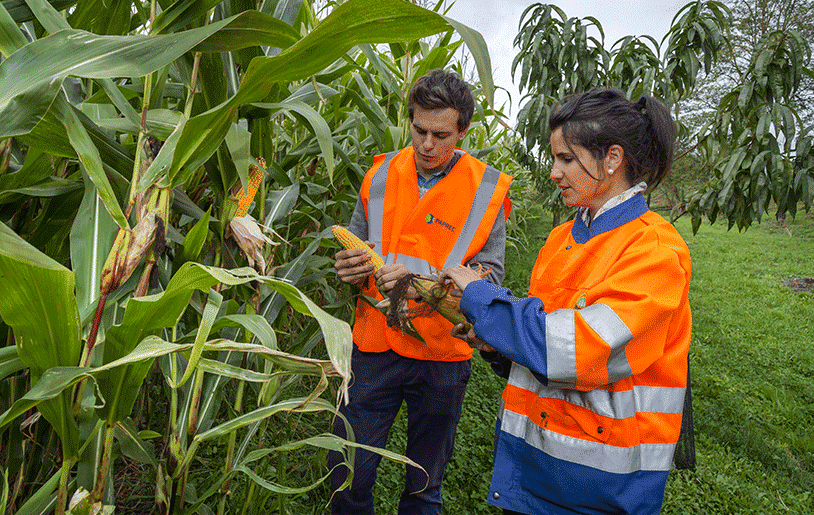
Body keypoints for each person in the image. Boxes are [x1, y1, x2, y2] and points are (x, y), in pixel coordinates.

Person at [440, 88, 692, 515]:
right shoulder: (561, 239)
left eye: (567, 159)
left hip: (598, 487)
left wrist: (481, 298)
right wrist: (497, 344)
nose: (554, 173)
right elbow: (543, 345)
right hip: (533, 470)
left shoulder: (654, 251)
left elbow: (577, 350)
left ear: (613, 159)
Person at [328, 69, 513, 514]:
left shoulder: (486, 189)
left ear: (464, 130)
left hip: (441, 355)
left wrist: (416, 280)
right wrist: (350, 269)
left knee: (424, 483)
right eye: (419, 130)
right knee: (348, 471)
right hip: (373, 346)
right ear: (409, 120)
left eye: (441, 134)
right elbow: (358, 243)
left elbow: (490, 276)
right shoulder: (379, 176)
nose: (427, 144)